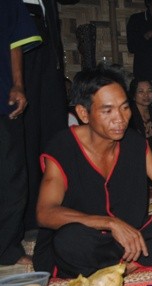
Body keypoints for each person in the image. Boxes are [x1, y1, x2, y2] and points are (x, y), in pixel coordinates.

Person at [32, 65, 152, 278]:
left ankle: (116, 265)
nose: (120, 119)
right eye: (107, 111)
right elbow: (45, 213)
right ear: (83, 113)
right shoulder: (63, 147)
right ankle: (125, 263)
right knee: (68, 241)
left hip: (135, 234)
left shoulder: (134, 143)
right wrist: (110, 223)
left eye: (124, 108)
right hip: (90, 239)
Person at [0, 0, 41, 267]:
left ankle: (7, 250)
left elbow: (15, 39)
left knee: (11, 177)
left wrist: (17, 84)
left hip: (3, 98)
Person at [22, 0, 69, 233]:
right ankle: (28, 215)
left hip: (48, 50)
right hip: (21, 51)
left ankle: (54, 208)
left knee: (53, 135)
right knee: (26, 139)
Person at [128, 79, 152, 155]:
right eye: (141, 91)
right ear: (133, 95)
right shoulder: (129, 114)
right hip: (137, 153)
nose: (146, 95)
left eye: (149, 91)